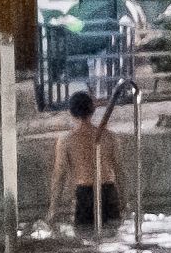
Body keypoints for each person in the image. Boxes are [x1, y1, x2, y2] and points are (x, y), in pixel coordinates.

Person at [44, 89, 124, 233]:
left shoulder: (66, 141)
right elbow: (120, 172)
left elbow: (59, 177)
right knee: (112, 236)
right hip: (109, 192)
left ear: (71, 112)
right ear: (92, 110)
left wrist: (53, 210)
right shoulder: (109, 136)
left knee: (84, 238)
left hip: (85, 194)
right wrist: (125, 202)